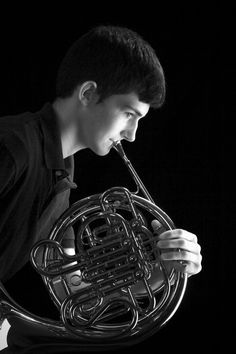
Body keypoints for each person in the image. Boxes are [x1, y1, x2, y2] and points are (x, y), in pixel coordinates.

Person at [0, 26, 202, 353]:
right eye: (128, 114)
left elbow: (72, 290)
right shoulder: (13, 148)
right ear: (88, 93)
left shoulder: (62, 174)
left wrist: (160, 275)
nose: (133, 134)